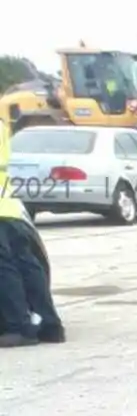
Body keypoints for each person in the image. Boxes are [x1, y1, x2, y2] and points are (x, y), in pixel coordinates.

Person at [0, 115, 65, 347]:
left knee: (6, 268)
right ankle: (49, 326)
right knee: (25, 265)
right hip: (9, 207)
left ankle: (19, 327)